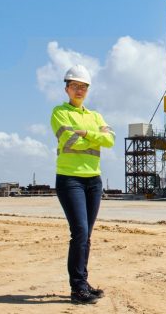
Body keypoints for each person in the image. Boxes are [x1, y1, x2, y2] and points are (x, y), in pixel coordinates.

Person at [51, 64, 116, 305]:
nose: (80, 90)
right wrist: (93, 136)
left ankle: (83, 282)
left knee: (86, 235)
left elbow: (110, 140)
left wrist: (85, 134)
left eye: (84, 87)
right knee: (79, 232)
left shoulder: (95, 115)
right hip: (70, 179)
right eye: (75, 86)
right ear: (67, 88)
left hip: (93, 181)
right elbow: (67, 139)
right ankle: (77, 289)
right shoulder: (59, 112)